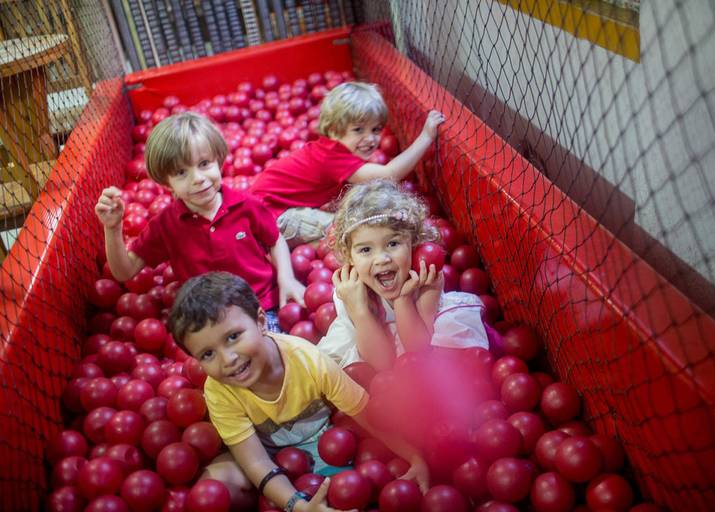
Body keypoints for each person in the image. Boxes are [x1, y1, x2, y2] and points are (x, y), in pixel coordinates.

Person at [168, 271, 428, 511]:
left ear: (261, 322)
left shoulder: (309, 361)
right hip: (266, 453)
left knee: (354, 485)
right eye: (208, 354)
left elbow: (368, 415)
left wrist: (414, 456)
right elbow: (255, 462)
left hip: (324, 442)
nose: (228, 359)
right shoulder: (219, 390)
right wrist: (297, 505)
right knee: (213, 485)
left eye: (233, 337)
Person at [94, 112, 305, 330]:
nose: (198, 178)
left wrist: (286, 278)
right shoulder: (166, 226)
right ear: (166, 183)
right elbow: (124, 271)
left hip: (260, 305)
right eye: (181, 172)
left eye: (204, 164)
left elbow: (274, 239)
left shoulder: (246, 206)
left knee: (269, 345)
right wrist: (113, 227)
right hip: (209, 321)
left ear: (218, 161)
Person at [317, 180, 489, 371]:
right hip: (373, 348)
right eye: (365, 249)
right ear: (349, 256)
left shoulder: (426, 280)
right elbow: (381, 364)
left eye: (392, 244)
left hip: (417, 347)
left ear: (413, 242)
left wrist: (403, 299)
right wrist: (360, 310)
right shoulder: (351, 291)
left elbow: (417, 348)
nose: (382, 259)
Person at [251, 81, 446, 247]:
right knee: (351, 232)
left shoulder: (333, 150)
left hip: (268, 211)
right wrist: (426, 136)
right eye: (358, 130)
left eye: (376, 130)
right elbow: (389, 174)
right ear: (334, 129)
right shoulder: (332, 158)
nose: (370, 138)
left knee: (347, 228)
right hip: (271, 215)